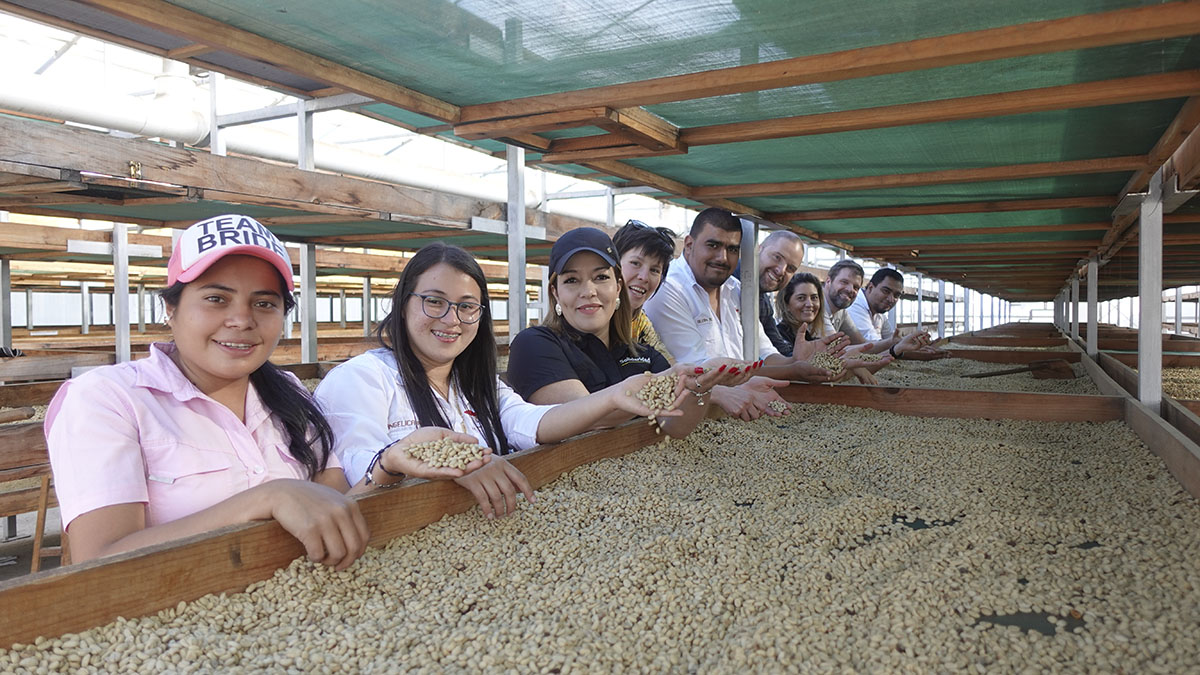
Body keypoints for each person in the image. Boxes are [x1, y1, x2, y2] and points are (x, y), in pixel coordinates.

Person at [45, 215, 467, 571]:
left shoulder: (285, 392)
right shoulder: (107, 399)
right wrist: (268, 498)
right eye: (216, 299)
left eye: (264, 304)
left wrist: (389, 465)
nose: (241, 320)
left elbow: (335, 511)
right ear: (171, 308)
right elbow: (98, 560)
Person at [315, 242, 688, 520]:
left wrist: (616, 397)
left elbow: (534, 422)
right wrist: (454, 459)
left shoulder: (476, 384)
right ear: (403, 303)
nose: (451, 319)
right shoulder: (363, 378)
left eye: (466, 306)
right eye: (434, 301)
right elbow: (354, 478)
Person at [508, 228, 753, 437]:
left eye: (601, 277)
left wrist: (700, 386)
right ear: (555, 293)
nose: (589, 291)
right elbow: (584, 417)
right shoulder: (534, 344)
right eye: (572, 280)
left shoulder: (642, 353)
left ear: (617, 287)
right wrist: (671, 380)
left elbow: (675, 427)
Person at [643, 208, 860, 420]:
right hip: (690, 416)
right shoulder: (668, 288)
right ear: (689, 245)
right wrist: (794, 370)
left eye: (732, 249)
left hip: (732, 411)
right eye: (713, 245)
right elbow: (702, 372)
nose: (723, 257)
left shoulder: (737, 290)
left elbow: (764, 355)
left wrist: (796, 362)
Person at [823, 260, 932, 384]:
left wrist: (895, 344)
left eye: (856, 287)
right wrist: (894, 346)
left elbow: (864, 345)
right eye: (844, 282)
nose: (850, 290)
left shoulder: (842, 311)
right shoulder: (821, 307)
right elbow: (836, 352)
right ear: (828, 281)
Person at [848, 268, 950, 361]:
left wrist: (917, 346)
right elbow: (870, 347)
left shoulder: (879, 313)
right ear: (870, 287)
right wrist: (913, 353)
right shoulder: (855, 306)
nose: (891, 299)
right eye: (886, 291)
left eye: (896, 295)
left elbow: (891, 340)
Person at [612, 219, 677, 362]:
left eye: (655, 270)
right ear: (614, 264)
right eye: (635, 263)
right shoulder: (595, 317)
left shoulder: (641, 322)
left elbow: (668, 363)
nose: (644, 277)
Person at [735, 230, 805, 354]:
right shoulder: (724, 283)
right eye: (777, 257)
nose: (781, 270)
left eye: (790, 268)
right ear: (758, 249)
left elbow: (775, 345)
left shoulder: (762, 301)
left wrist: (807, 358)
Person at [775, 272, 827, 355]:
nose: (809, 304)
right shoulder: (778, 337)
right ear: (786, 303)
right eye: (801, 298)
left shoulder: (809, 337)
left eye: (814, 298)